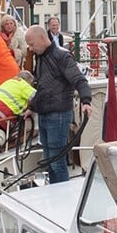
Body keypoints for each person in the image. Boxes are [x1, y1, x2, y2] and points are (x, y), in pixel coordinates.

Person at [25, 24, 91, 184]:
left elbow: (79, 79)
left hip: (58, 114)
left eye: (32, 44)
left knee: (56, 162)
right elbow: (42, 86)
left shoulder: (62, 56)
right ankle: (54, 194)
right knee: (49, 161)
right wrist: (31, 108)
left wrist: (86, 100)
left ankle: (62, 197)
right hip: (45, 113)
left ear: (42, 38)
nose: (30, 49)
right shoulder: (40, 58)